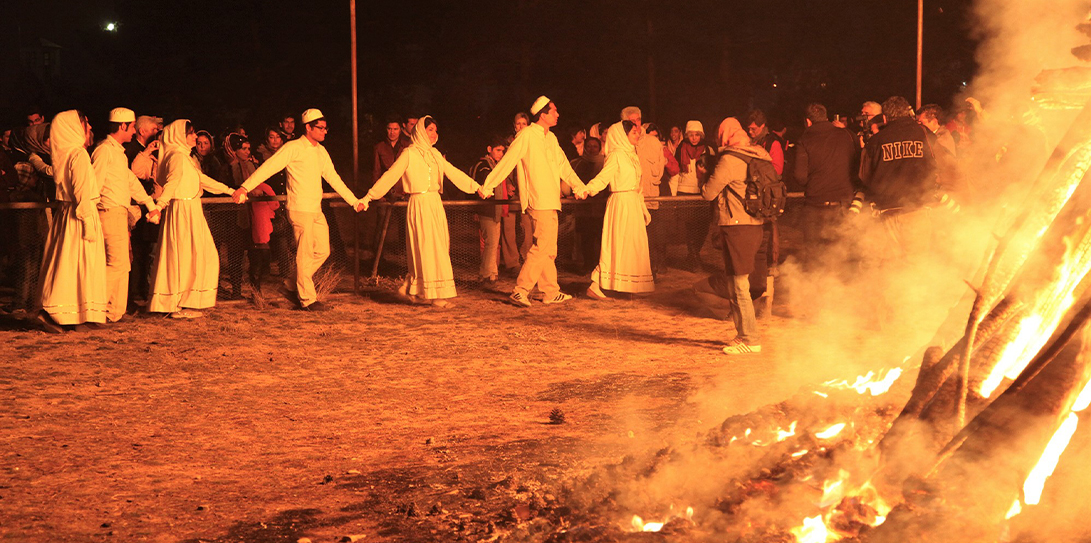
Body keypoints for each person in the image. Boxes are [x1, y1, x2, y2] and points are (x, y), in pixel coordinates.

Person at [233, 109, 367, 311]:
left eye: (325, 128)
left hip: (315, 209)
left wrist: (353, 201)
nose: (325, 132)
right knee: (304, 255)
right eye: (320, 128)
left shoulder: (321, 151)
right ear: (308, 128)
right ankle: (307, 300)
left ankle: (289, 285)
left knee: (323, 250)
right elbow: (269, 167)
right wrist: (245, 187)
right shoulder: (293, 147)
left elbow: (334, 178)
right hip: (299, 209)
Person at [358, 116, 481, 306]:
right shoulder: (409, 154)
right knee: (426, 247)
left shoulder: (435, 154)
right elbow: (390, 176)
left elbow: (453, 172)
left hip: (435, 203)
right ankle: (435, 295)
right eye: (429, 129)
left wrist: (477, 187)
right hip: (419, 203)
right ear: (421, 132)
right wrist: (369, 197)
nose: (433, 134)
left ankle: (414, 288)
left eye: (435, 130)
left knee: (439, 246)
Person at [480, 96, 589, 307]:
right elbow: (508, 160)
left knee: (549, 248)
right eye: (554, 111)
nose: (557, 114)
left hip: (551, 200)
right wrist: (488, 185)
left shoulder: (551, 138)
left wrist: (578, 185)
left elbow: (563, 165)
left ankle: (550, 291)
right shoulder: (527, 135)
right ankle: (520, 290)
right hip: (538, 200)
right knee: (542, 247)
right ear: (543, 115)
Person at [146, 120, 236, 318]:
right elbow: (172, 183)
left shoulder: (185, 157)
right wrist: (158, 206)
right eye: (191, 133)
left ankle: (186, 300)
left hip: (190, 209)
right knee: (185, 256)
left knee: (198, 256)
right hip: (182, 210)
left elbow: (202, 180)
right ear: (179, 136)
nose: (195, 137)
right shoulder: (177, 157)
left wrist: (230, 191)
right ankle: (178, 302)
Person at [701, 118, 770, 355]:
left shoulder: (730, 159)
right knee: (734, 283)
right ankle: (742, 335)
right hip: (756, 224)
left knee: (739, 285)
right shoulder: (759, 154)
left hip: (737, 226)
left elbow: (709, 193)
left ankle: (750, 339)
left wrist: (704, 174)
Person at [36, 110, 108, 332]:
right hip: (78, 216)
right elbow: (82, 191)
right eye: (84, 124)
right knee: (74, 265)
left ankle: (80, 314)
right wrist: (88, 222)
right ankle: (57, 312)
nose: (88, 129)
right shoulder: (78, 155)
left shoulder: (64, 155)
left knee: (72, 264)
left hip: (69, 214)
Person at [90, 108, 161, 322]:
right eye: (131, 127)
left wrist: (149, 204)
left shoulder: (117, 152)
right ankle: (100, 310)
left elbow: (129, 181)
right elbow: (95, 184)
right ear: (122, 126)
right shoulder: (104, 151)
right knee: (115, 264)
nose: (133, 132)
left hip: (118, 213)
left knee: (122, 264)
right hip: (109, 212)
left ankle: (113, 312)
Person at [859, 96, 939, 260]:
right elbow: (936, 166)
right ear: (908, 113)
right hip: (916, 209)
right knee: (915, 263)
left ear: (885, 117)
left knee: (893, 265)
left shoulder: (876, 141)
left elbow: (864, 176)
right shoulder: (924, 134)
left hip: (887, 212)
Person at [582, 122, 654, 299]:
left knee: (631, 246)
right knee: (618, 245)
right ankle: (596, 284)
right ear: (622, 135)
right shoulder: (615, 155)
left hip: (632, 204)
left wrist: (643, 208)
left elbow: (638, 185)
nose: (637, 135)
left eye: (637, 132)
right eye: (634, 133)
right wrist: (587, 189)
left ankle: (626, 285)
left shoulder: (632, 155)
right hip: (621, 204)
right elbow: (603, 178)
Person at [793, 102, 858, 270]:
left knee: (815, 257)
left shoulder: (804, 139)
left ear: (807, 121)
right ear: (826, 117)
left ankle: (818, 291)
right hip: (844, 205)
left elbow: (800, 176)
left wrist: (816, 181)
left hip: (816, 206)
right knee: (842, 254)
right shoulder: (847, 135)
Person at [471, 135, 513, 282]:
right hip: (487, 210)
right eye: (498, 150)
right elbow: (481, 187)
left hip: (495, 210)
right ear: (489, 149)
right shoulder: (482, 166)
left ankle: (491, 272)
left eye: (502, 151)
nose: (501, 154)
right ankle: (487, 274)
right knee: (491, 243)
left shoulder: (494, 166)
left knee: (493, 243)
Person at [675, 120, 715, 270]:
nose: (694, 138)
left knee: (703, 226)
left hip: (702, 192)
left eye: (697, 135)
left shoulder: (708, 150)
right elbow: (676, 171)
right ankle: (694, 257)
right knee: (689, 226)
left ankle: (694, 255)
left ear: (701, 135)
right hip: (684, 191)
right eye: (691, 135)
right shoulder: (681, 148)